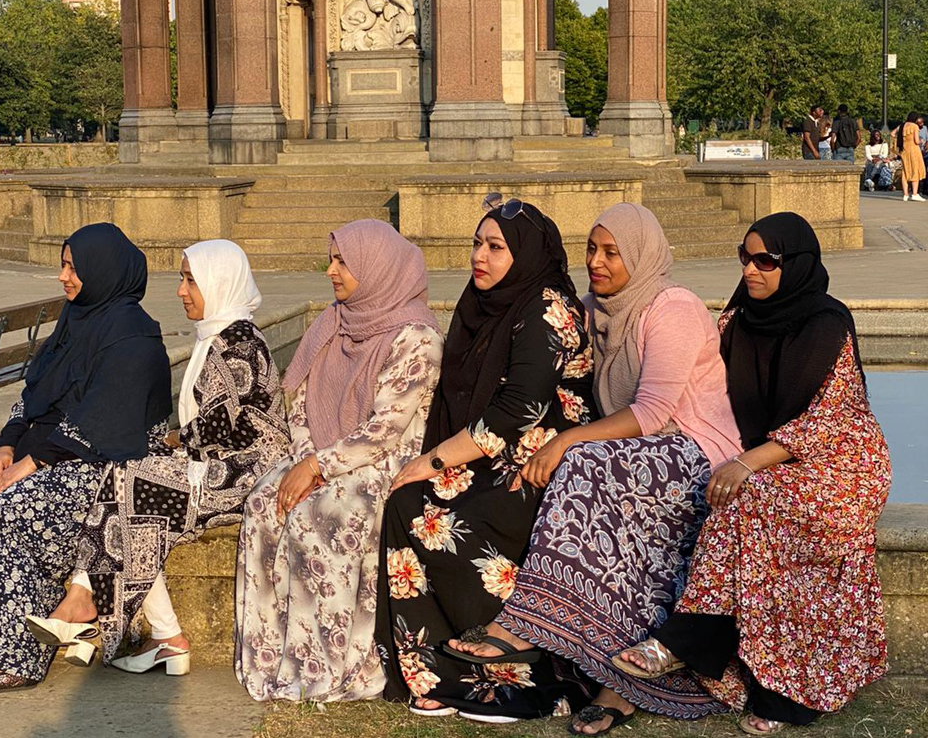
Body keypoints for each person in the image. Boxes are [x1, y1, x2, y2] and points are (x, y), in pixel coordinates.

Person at [446, 203, 744, 735]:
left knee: (580, 462)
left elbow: (653, 412)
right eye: (591, 249)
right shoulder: (592, 310)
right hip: (634, 459)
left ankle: (525, 624)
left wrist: (565, 441)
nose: (596, 262)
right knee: (607, 512)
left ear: (641, 255)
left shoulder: (671, 307)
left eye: (612, 252)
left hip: (698, 452)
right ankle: (615, 680)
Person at [615, 213, 891, 736]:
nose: (750, 270)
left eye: (766, 260)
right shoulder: (738, 317)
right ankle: (752, 676)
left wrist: (745, 461)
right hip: (767, 461)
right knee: (744, 502)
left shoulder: (826, 323)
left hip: (841, 464)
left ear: (796, 264)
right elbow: (705, 383)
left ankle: (700, 641)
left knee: (749, 496)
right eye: (745, 257)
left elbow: (829, 418)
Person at [375, 197, 596, 723]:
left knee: (434, 507)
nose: (480, 256)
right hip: (493, 453)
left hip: (546, 461)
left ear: (525, 253)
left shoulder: (547, 307)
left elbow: (519, 409)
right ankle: (438, 670)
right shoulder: (484, 303)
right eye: (477, 243)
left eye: (496, 247)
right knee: (407, 502)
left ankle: (511, 674)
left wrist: (433, 462)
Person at [26, 239, 291, 673]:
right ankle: (123, 619)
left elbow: (221, 428)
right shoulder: (219, 335)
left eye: (191, 281)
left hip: (247, 474)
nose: (181, 291)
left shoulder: (239, 343)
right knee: (125, 481)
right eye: (183, 279)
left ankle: (103, 614)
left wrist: (170, 440)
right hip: (218, 465)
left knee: (133, 488)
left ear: (220, 283)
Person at [0, 223, 171, 692]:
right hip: (44, 452)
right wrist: (5, 448)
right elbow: (32, 398)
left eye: (72, 267)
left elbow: (104, 421)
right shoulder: (74, 322)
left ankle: (14, 658)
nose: (63, 277)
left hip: (98, 467)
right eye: (63, 265)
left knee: (4, 512)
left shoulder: (132, 336)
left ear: (102, 270)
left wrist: (29, 465)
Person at [235, 219, 443, 702]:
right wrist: (306, 459)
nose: (330, 270)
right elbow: (301, 403)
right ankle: (271, 656)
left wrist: (317, 468)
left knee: (319, 514)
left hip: (385, 464)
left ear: (376, 267)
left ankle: (330, 664)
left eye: (342, 261)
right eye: (331, 259)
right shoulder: (333, 323)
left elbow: (385, 430)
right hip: (323, 455)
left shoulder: (418, 337)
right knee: (264, 501)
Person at [893, 112, 926, 201]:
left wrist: (899, 140)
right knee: (915, 169)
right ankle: (915, 194)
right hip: (914, 150)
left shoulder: (902, 125)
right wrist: (921, 141)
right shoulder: (914, 126)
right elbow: (916, 141)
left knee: (905, 171)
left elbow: (892, 134)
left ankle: (905, 194)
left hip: (904, 151)